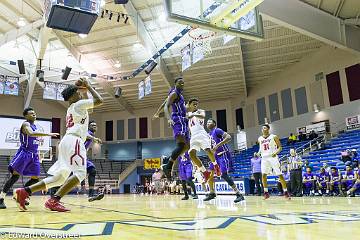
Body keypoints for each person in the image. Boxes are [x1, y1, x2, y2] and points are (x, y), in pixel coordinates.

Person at [14, 78, 103, 212]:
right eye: (78, 93)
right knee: (80, 173)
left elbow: (89, 108)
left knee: (60, 178)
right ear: (73, 95)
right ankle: (53, 200)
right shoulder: (78, 105)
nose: (80, 94)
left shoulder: (73, 108)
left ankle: (25, 191)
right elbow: (99, 101)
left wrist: (84, 91)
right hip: (75, 141)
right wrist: (89, 86)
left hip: (66, 141)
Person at [0, 108, 59, 209]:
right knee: (15, 177)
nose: (34, 114)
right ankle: (1, 198)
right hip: (24, 153)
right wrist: (48, 134)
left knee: (35, 179)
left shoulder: (35, 126)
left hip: (34, 155)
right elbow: (30, 134)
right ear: (26, 116)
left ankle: (21, 194)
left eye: (34, 113)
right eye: (31, 113)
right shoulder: (25, 124)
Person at [160, 77, 209, 182]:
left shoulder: (181, 96)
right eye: (179, 82)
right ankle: (168, 164)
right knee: (182, 145)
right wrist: (169, 119)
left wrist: (190, 112)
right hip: (177, 119)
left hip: (183, 120)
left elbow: (183, 108)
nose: (182, 83)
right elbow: (166, 107)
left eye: (183, 82)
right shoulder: (174, 94)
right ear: (175, 84)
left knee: (186, 146)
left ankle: (168, 163)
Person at [205, 119, 245, 203]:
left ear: (214, 124)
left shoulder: (217, 130)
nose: (208, 123)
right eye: (207, 122)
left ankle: (239, 194)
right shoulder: (208, 135)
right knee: (209, 175)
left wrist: (217, 145)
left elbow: (229, 137)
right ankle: (212, 193)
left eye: (210, 122)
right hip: (215, 157)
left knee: (224, 175)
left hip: (223, 155)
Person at [186, 98, 221, 177]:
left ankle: (216, 166)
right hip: (193, 136)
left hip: (201, 133)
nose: (195, 104)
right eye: (193, 103)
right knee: (191, 155)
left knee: (208, 150)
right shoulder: (188, 114)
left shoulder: (200, 111)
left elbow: (202, 116)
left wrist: (193, 114)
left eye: (196, 103)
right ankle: (205, 172)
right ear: (190, 105)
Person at [257, 124, 290, 200]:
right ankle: (266, 193)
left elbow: (280, 147)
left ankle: (285, 192)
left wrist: (276, 153)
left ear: (268, 129)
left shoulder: (274, 136)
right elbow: (260, 149)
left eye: (264, 128)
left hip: (273, 157)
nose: (263, 129)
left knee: (280, 175)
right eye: (262, 128)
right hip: (264, 158)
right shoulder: (260, 138)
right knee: (263, 175)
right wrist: (258, 153)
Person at [81, 120, 104, 202]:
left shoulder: (91, 134)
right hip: (77, 155)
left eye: (95, 125)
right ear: (89, 127)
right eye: (92, 125)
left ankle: (90, 194)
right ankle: (54, 192)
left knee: (92, 170)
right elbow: (85, 135)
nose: (94, 126)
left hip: (83, 156)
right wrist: (95, 139)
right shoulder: (88, 133)